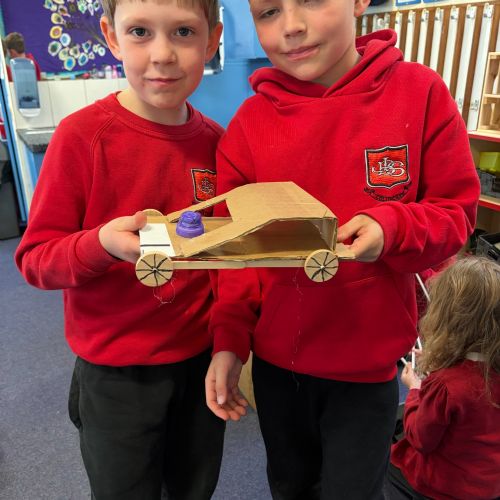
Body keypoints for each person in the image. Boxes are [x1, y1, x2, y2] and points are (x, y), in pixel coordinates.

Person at [204, 0, 480, 498]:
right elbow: (237, 254)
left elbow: (455, 214)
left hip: (368, 369)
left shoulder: (420, 93)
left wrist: (392, 226)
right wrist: (228, 339)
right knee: (290, 485)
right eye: (268, 12)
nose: (292, 27)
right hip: (279, 367)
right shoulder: (248, 126)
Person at [15, 0, 224, 498]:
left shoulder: (217, 143)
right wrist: (100, 244)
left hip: (198, 361)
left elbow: (224, 260)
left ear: (212, 41)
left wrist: (229, 345)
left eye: (183, 32)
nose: (162, 54)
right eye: (140, 32)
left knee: (194, 487)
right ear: (111, 37)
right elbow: (36, 260)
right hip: (116, 374)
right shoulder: (82, 138)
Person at [386, 257, 500, 500]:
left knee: (377, 465)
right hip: (489, 484)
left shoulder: (446, 386)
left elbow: (420, 438)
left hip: (442, 485)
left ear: (449, 317)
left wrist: (415, 389)